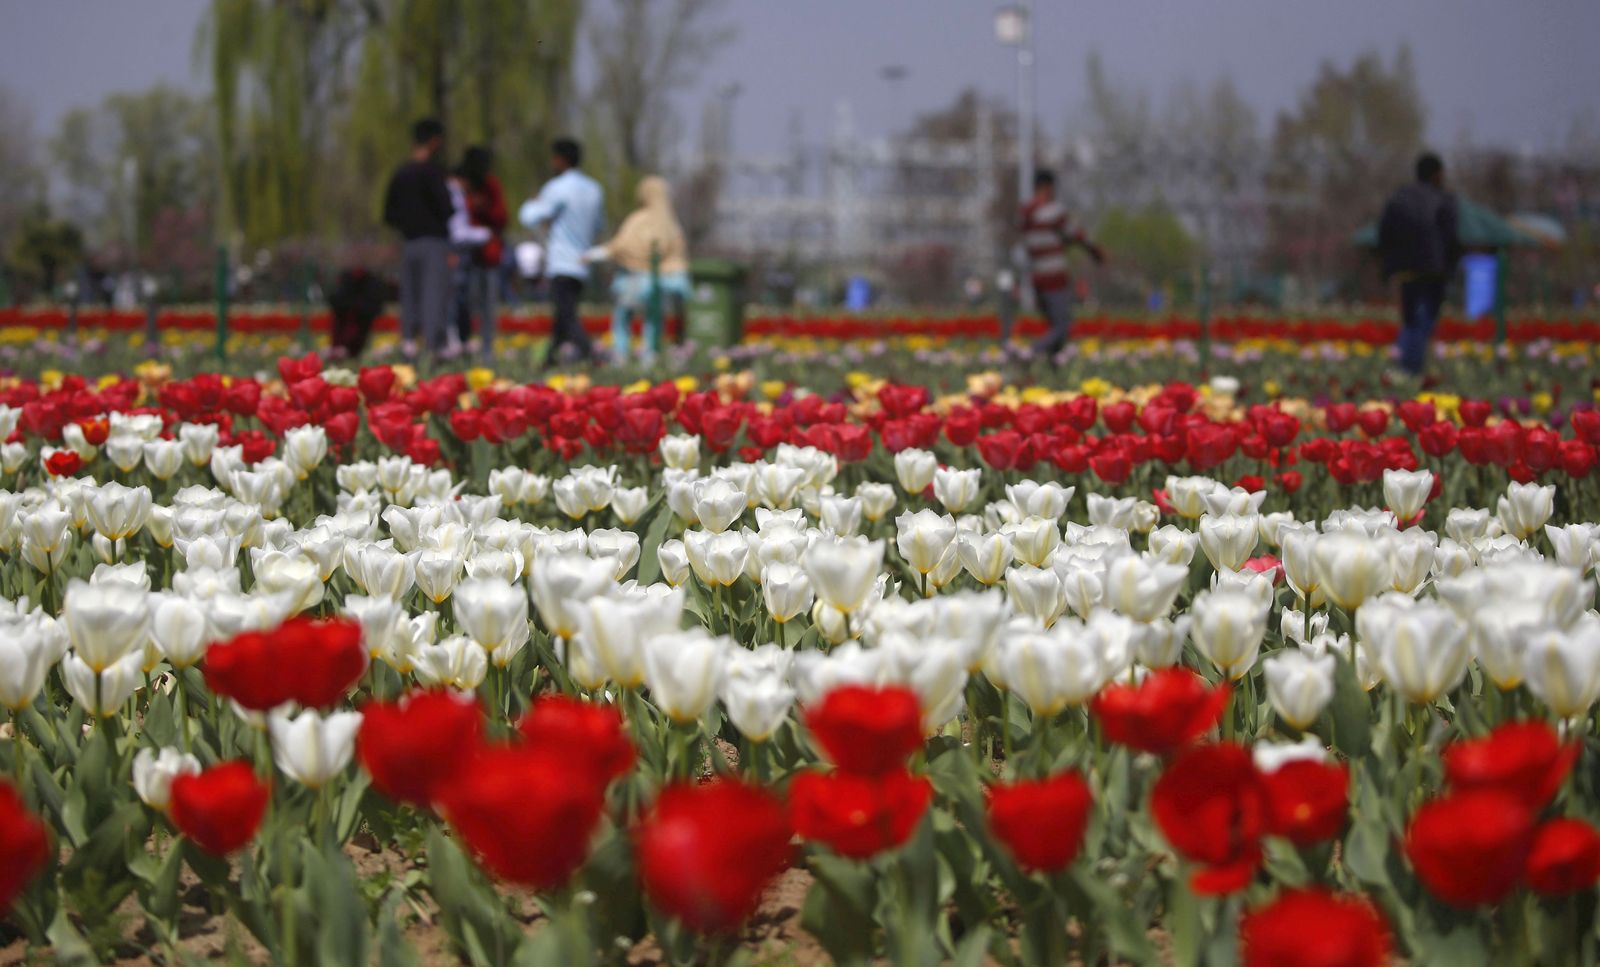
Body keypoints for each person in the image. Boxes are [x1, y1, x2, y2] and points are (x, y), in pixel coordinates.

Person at [519, 138, 605, 367]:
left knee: (566, 315)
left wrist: (533, 203)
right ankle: (550, 360)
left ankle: (591, 354)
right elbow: (599, 225)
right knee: (563, 312)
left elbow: (529, 217)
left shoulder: (556, 188)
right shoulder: (595, 190)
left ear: (560, 159)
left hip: (562, 260)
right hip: (583, 262)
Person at [588, 175, 690, 363]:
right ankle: (649, 357)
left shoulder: (637, 220)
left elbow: (620, 245)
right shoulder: (671, 225)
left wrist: (594, 254)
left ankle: (620, 356)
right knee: (653, 320)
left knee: (623, 318)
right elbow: (678, 256)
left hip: (633, 279)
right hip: (658, 282)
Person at [1379, 152, 1461, 377]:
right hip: (1434, 270)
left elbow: (1385, 233)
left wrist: (1389, 265)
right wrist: (1451, 268)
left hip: (1405, 269)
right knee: (1423, 320)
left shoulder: (1399, 198)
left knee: (1410, 319)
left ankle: (1401, 365)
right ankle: (1408, 368)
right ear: (1436, 174)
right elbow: (1451, 237)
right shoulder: (1443, 199)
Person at [382, 118, 454, 358]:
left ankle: (409, 344)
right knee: (433, 295)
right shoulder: (434, 173)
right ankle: (434, 348)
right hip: (434, 242)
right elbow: (447, 208)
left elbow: (389, 214)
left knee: (410, 296)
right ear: (434, 141)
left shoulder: (401, 174)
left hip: (408, 242)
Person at [1019, 169, 1103, 360]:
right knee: (1062, 327)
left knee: (1054, 328)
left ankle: (1053, 366)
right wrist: (1095, 251)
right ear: (1048, 187)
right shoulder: (1053, 211)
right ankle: (1029, 353)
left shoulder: (1025, 213)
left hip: (1036, 278)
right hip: (1054, 277)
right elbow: (1075, 234)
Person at [454, 146, 508, 359]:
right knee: (464, 301)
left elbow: (502, 217)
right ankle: (463, 343)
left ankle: (486, 348)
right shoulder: (462, 185)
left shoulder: (491, 185)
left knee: (487, 303)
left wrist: (483, 207)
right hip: (464, 251)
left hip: (488, 254)